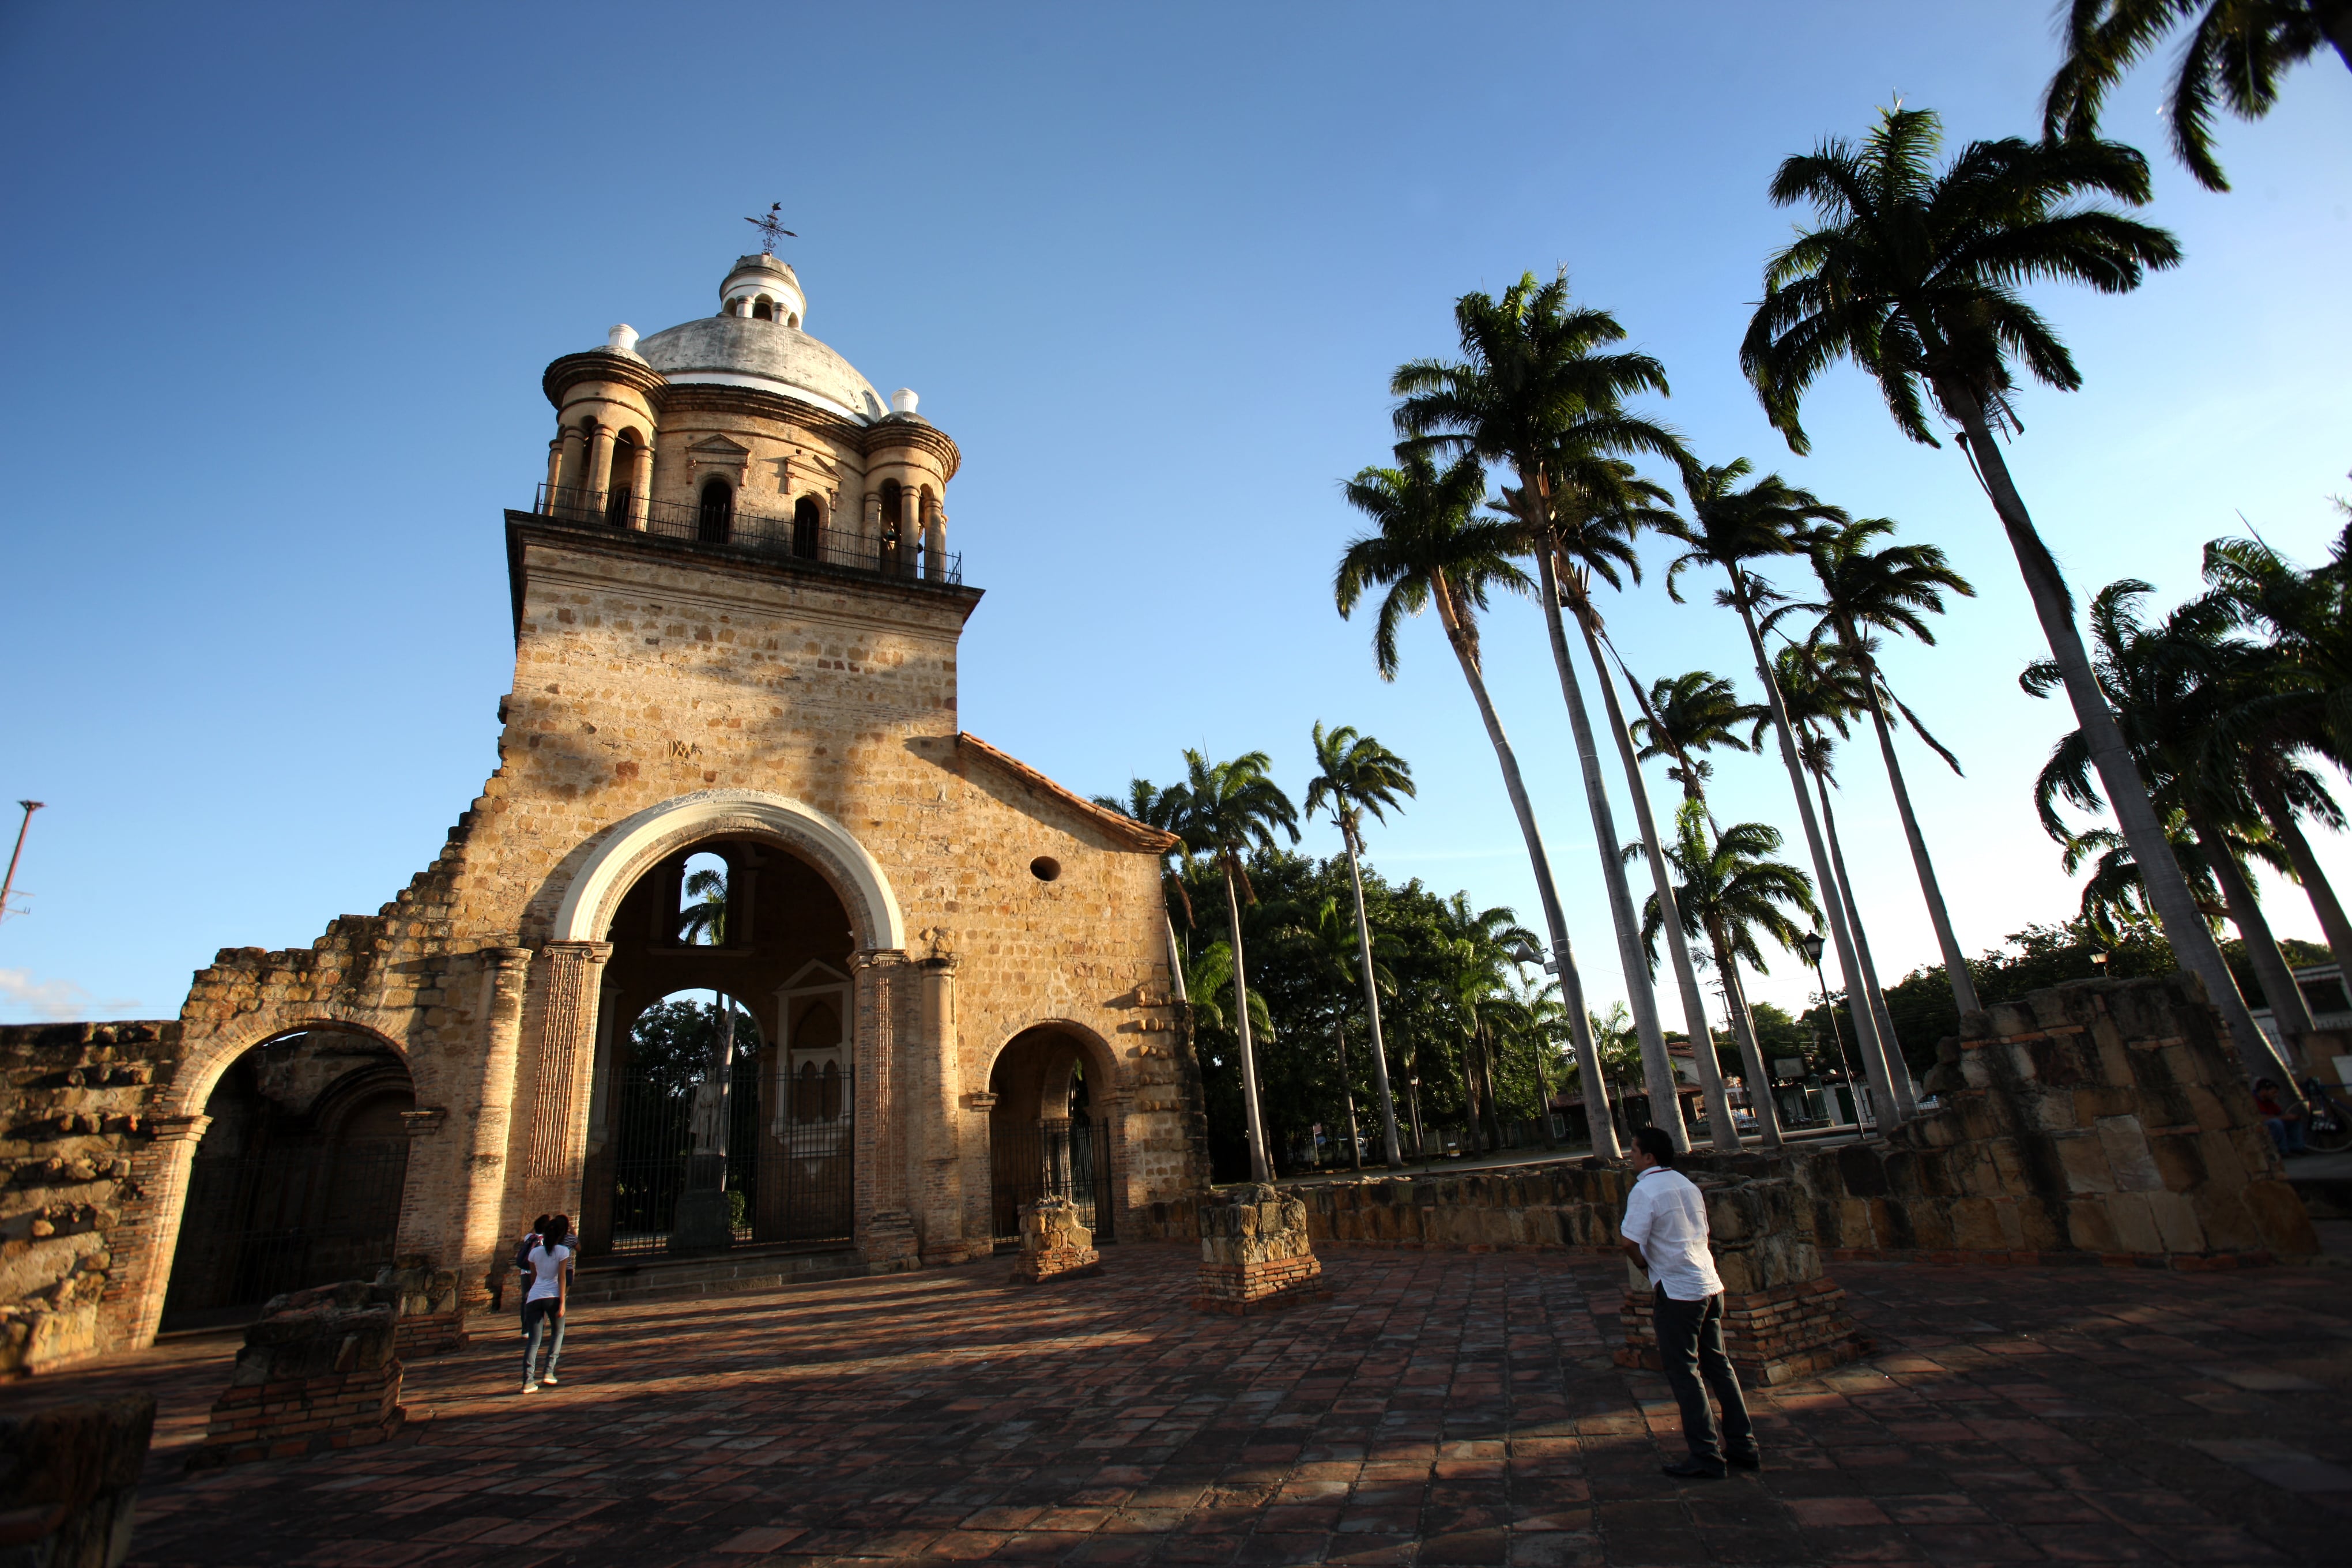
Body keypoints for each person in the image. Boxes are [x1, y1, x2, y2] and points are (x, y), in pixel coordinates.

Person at [1619, 1126, 1758, 1480]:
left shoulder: (1645, 1190)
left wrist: (1646, 1267)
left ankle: (1706, 1454)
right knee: (1718, 1365)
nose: (1629, 1156)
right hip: (1709, 1285)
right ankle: (1744, 1446)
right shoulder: (1687, 1185)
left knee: (1684, 1371)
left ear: (1649, 1157)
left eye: (1634, 1151)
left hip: (1678, 1291)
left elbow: (1629, 1242)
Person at [521, 1212, 574, 1394]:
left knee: (534, 1341)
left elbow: (534, 1279)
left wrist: (532, 1294)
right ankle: (549, 1372)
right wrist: (563, 1303)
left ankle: (528, 1381)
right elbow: (561, 1277)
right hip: (552, 1296)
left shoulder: (535, 1252)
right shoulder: (562, 1251)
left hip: (534, 1297)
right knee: (557, 1333)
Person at [2254, 1079, 2309, 1157]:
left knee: (2294, 1122)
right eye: (2274, 1092)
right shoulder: (2254, 1100)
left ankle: (2296, 1148)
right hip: (2261, 1127)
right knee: (2276, 1123)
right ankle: (2282, 1151)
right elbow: (2260, 1118)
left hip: (2272, 1124)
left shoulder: (2270, 1102)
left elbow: (2279, 1113)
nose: (2276, 1095)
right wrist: (2284, 1118)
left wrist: (2291, 1117)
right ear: (2263, 1091)